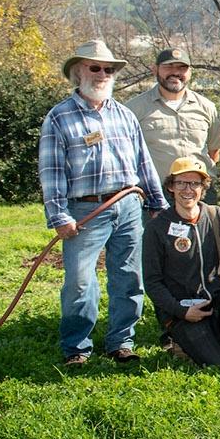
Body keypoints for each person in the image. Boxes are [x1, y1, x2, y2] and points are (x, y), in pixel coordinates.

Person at [39, 39, 168, 366]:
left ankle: (121, 342)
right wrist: (58, 216)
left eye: (108, 69)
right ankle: (77, 347)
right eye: (94, 67)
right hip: (84, 211)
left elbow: (143, 164)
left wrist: (158, 203)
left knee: (129, 277)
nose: (102, 74)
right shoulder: (59, 118)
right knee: (80, 281)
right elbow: (52, 171)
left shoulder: (124, 115)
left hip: (128, 207)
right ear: (77, 72)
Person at [144, 156, 220, 368]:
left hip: (216, 297)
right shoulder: (157, 228)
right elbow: (152, 282)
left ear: (203, 188)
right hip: (182, 309)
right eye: (181, 182)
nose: (188, 189)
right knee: (219, 363)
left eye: (195, 183)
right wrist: (181, 311)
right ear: (171, 187)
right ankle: (183, 341)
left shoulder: (214, 215)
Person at [124, 46, 220, 197]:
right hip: (155, 194)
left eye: (181, 68)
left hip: (199, 192)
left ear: (190, 72)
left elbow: (214, 150)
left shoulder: (207, 107)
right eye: (168, 67)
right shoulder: (133, 109)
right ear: (155, 69)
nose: (175, 72)